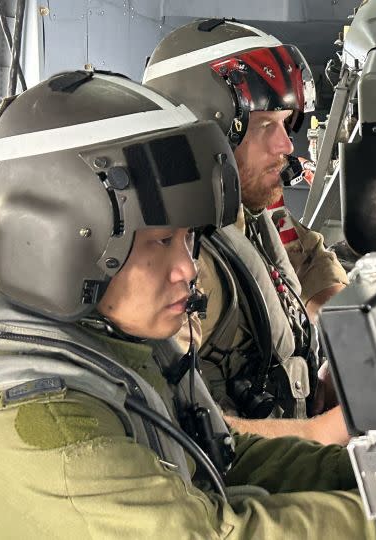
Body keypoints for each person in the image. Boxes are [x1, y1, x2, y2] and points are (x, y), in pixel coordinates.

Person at [0, 72, 376, 539]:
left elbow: (220, 456)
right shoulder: (45, 432)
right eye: (163, 241)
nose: (187, 269)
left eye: (188, 241)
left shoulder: (118, 352)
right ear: (59, 242)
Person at [143, 20, 348, 442]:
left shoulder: (245, 211)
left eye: (285, 123)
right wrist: (321, 434)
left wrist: (335, 349)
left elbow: (305, 256)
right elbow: (178, 430)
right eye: (263, 126)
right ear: (203, 135)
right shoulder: (180, 261)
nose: (287, 146)